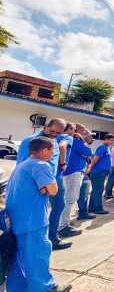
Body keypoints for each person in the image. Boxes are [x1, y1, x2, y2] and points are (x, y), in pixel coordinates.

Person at [6, 137, 71, 292]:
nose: (52, 155)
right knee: (37, 255)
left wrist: (45, 188)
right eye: (52, 151)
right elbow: (54, 190)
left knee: (18, 258)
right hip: (33, 220)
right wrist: (46, 188)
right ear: (44, 150)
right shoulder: (41, 165)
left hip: (17, 219)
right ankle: (45, 288)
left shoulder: (22, 165)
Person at [16, 118, 69, 250]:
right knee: (37, 214)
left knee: (59, 205)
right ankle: (34, 243)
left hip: (54, 179)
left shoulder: (54, 141)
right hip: (40, 183)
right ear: (46, 126)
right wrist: (38, 185)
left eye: (58, 133)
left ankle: (52, 237)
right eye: (52, 131)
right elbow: (23, 166)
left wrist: (62, 164)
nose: (54, 134)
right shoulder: (32, 141)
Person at [59, 128, 94, 236]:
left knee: (65, 199)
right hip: (74, 172)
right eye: (89, 135)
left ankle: (62, 222)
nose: (91, 138)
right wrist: (83, 142)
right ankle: (62, 226)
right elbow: (88, 152)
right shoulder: (76, 140)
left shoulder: (63, 138)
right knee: (69, 199)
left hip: (68, 172)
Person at [86, 134, 114, 214]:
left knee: (96, 190)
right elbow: (95, 159)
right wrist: (90, 168)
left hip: (102, 172)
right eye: (111, 140)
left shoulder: (106, 148)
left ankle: (91, 207)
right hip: (98, 172)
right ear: (106, 139)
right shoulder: (102, 147)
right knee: (98, 190)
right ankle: (98, 208)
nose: (112, 142)